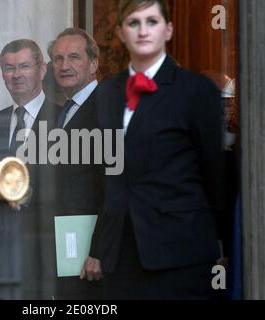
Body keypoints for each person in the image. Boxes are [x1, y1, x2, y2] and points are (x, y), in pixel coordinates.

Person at [95, 0, 224, 299]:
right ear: (119, 33)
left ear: (168, 30)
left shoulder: (195, 90)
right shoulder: (107, 92)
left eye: (151, 22)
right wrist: (100, 246)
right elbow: (109, 175)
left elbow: (214, 172)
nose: (143, 31)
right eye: (133, 23)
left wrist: (220, 241)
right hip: (120, 255)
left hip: (179, 250)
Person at [0, 39, 58, 300]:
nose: (16, 74)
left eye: (24, 66)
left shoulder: (63, 119)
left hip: (47, 260)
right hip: (1, 263)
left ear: (41, 70)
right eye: (9, 68)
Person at [48, 27, 104, 299]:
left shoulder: (107, 109)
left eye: (73, 57)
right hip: (64, 250)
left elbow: (116, 187)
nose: (64, 66)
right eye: (58, 59)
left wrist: (100, 250)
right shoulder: (61, 112)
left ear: (94, 64)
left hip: (91, 259)